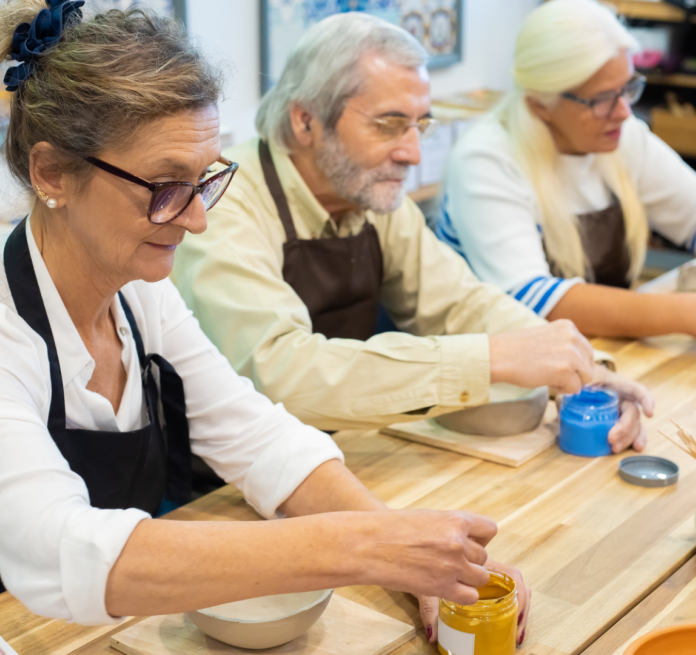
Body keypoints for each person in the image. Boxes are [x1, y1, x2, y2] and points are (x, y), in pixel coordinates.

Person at [0, 1, 529, 643]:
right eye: (165, 187)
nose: (196, 221)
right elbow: (59, 548)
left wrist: (403, 547)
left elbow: (257, 438)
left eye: (205, 181)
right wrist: (363, 547)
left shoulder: (138, 293)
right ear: (52, 172)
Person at [171, 12, 653, 453]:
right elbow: (281, 373)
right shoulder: (225, 206)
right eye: (389, 125)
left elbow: (460, 303)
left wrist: (584, 370)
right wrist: (487, 359)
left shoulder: (367, 192)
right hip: (223, 482)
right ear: (305, 120)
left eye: (420, 126)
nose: (413, 154)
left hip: (341, 452)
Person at [437, 0, 696, 352]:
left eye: (628, 88)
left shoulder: (620, 134)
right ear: (540, 104)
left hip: (588, 352)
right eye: (601, 98)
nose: (623, 112)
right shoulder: (487, 160)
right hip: (495, 372)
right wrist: (690, 314)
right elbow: (535, 302)